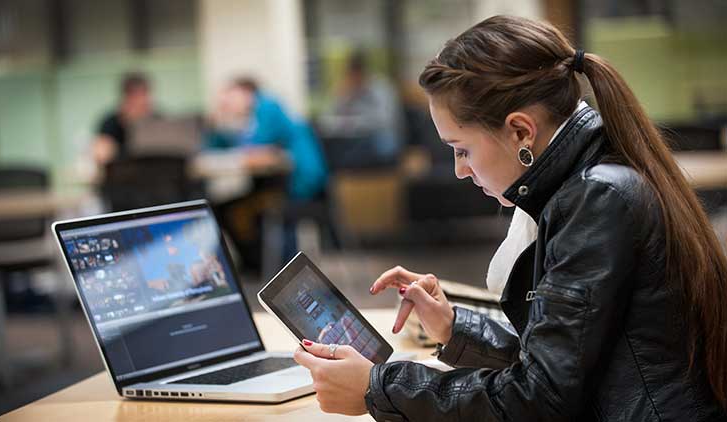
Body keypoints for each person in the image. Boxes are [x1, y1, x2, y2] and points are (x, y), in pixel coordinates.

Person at [293, 15, 727, 421]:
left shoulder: (595, 199)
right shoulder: (594, 179)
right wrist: (454, 327)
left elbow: (540, 396)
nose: (459, 170)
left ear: (521, 131)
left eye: (461, 149)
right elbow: (563, 361)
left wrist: (377, 387)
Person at [204, 78, 328, 269]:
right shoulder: (254, 119)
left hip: (301, 187)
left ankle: (262, 266)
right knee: (225, 208)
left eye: (231, 96)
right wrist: (216, 123)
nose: (227, 103)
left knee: (230, 209)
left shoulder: (267, 107)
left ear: (246, 93)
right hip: (280, 186)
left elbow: (257, 147)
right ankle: (255, 264)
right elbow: (217, 147)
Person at [317, 49, 404, 167]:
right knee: (328, 148)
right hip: (355, 140)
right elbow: (326, 120)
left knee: (355, 151)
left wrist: (356, 123)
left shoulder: (381, 89)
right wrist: (343, 99)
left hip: (382, 139)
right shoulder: (349, 90)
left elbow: (384, 121)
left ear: (363, 73)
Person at [93, 72, 154, 165]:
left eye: (143, 95)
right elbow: (100, 155)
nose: (140, 102)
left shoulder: (158, 120)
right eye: (135, 96)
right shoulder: (110, 123)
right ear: (126, 98)